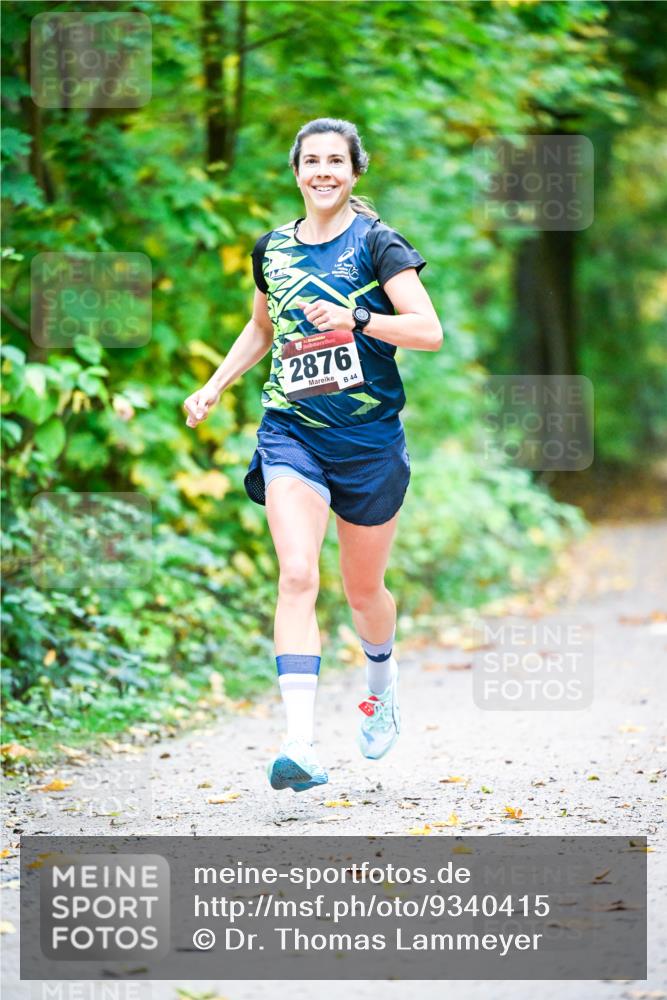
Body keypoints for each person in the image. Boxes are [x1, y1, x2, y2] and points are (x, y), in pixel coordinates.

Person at [183, 117, 442, 793]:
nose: (322, 171)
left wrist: (358, 319)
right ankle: (298, 741)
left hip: (368, 442)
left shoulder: (378, 244)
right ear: (297, 171)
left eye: (335, 161)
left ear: (354, 172)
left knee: (363, 592)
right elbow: (260, 326)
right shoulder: (271, 248)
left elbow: (428, 331)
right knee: (297, 575)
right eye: (311, 161)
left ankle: (381, 685)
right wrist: (215, 384)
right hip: (291, 431)